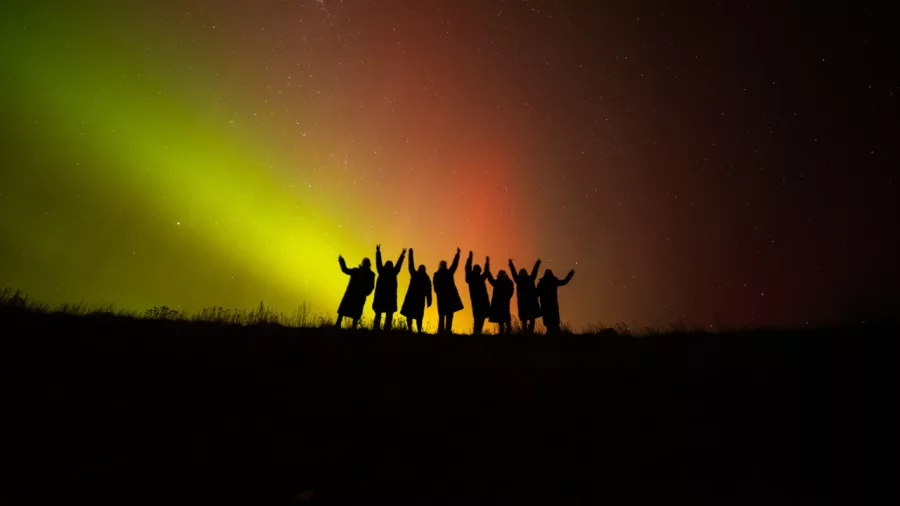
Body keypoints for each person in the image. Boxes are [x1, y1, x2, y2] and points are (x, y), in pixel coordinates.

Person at [335, 254, 375, 329]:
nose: (365, 264)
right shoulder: (356, 271)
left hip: (359, 296)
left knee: (355, 313)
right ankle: (338, 324)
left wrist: (366, 293)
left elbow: (371, 286)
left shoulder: (370, 275)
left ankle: (353, 327)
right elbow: (345, 270)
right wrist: (342, 261)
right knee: (343, 310)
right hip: (351, 294)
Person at [372, 244, 406, 331]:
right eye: (389, 264)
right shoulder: (387, 271)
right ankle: (380, 329)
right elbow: (379, 262)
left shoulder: (389, 272)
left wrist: (402, 255)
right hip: (384, 296)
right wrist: (378, 252)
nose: (389, 265)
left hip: (386, 296)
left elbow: (398, 264)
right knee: (382, 313)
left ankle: (383, 329)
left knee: (385, 314)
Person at [400, 247, 432, 333]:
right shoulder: (422, 276)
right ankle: (413, 329)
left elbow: (429, 290)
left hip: (417, 299)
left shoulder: (423, 277)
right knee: (412, 314)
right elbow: (411, 265)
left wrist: (429, 300)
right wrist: (410, 254)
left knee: (416, 315)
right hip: (414, 298)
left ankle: (416, 330)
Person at [432, 247, 464, 333]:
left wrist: (457, 255)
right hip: (444, 297)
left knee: (447, 314)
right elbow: (435, 285)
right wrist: (438, 292)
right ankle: (443, 330)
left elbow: (454, 265)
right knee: (444, 314)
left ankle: (445, 330)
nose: (444, 266)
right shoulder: (440, 274)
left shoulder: (445, 273)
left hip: (447, 297)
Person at [536, 268, 575, 334]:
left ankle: (554, 334)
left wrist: (570, 274)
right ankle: (553, 334)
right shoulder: (548, 282)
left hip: (550, 304)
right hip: (548, 304)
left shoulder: (544, 282)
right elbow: (537, 293)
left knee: (552, 321)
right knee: (551, 321)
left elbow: (564, 282)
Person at [509, 258, 542, 333]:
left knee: (532, 318)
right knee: (525, 319)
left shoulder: (530, 279)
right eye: (522, 272)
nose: (523, 273)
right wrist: (511, 264)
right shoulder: (519, 280)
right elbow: (514, 273)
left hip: (531, 302)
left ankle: (530, 332)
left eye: (523, 272)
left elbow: (534, 271)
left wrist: (537, 263)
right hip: (523, 302)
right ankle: (525, 332)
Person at [465, 251, 491, 334]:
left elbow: (467, 267)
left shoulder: (472, 277)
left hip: (478, 300)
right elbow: (468, 267)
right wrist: (487, 263)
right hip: (480, 300)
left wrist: (470, 257)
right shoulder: (474, 278)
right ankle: (477, 332)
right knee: (480, 316)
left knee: (479, 316)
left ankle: (477, 332)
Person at [486, 269, 514, 334]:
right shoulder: (498, 282)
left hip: (504, 302)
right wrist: (488, 272)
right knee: (500, 318)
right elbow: (491, 280)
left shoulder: (508, 282)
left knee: (506, 316)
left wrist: (507, 297)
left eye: (502, 274)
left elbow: (511, 291)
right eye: (500, 274)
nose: (501, 275)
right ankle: (502, 331)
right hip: (498, 302)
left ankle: (508, 328)